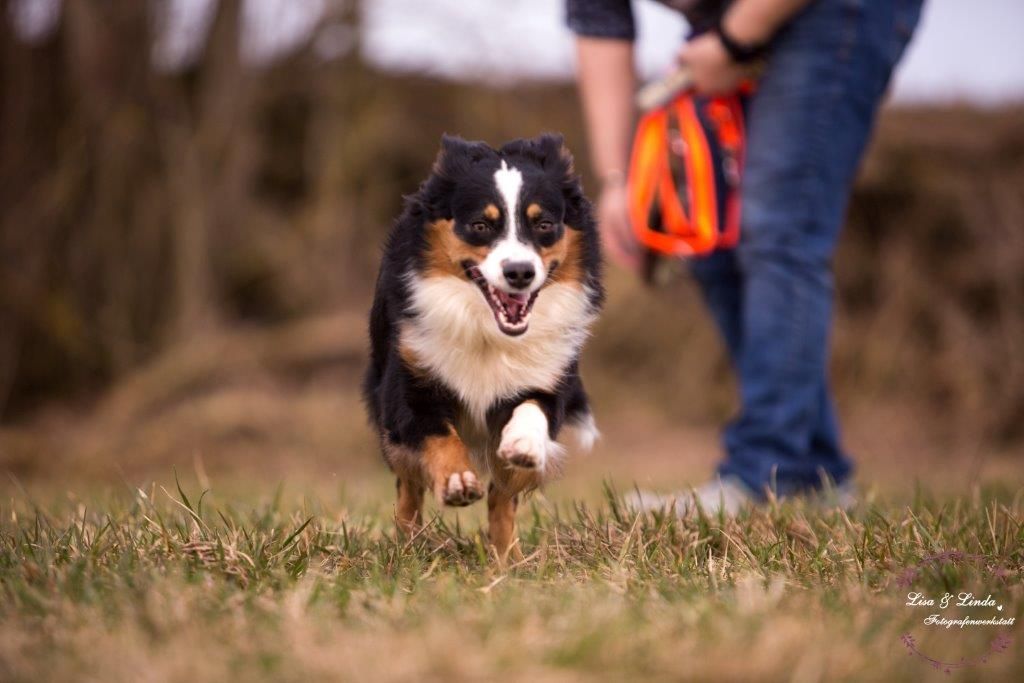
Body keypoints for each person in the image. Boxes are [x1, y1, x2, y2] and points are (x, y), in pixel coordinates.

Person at [568, 0, 923, 513]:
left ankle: (765, 473)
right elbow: (600, 27)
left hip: (835, 13)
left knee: (781, 230)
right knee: (712, 236)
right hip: (726, 30)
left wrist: (734, 40)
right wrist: (615, 181)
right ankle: (812, 477)